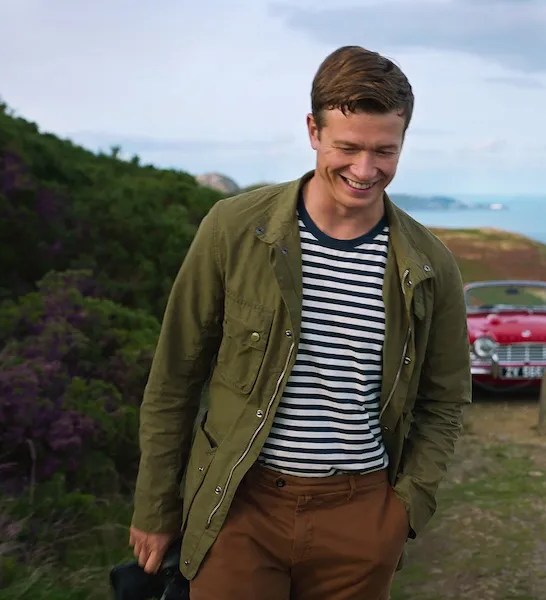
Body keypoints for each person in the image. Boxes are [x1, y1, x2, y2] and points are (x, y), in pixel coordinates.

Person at [127, 45, 472, 600]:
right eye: (348, 148)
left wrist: (405, 511)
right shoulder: (233, 228)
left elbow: (446, 399)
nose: (365, 171)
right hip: (240, 507)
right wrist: (155, 506)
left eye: (385, 151)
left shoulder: (431, 264)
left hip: (362, 516)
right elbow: (173, 379)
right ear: (313, 130)